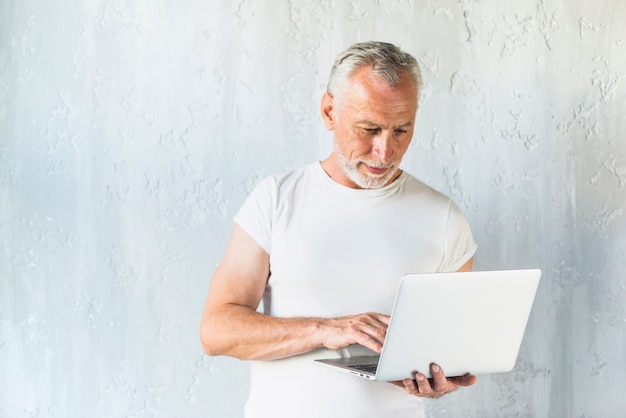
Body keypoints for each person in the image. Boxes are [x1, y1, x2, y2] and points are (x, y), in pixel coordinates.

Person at [200, 41, 478, 418]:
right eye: (369, 128)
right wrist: (326, 329)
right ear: (329, 111)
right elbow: (217, 330)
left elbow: (450, 348)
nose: (385, 151)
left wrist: (439, 380)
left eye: (402, 130)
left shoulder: (444, 219)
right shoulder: (276, 200)